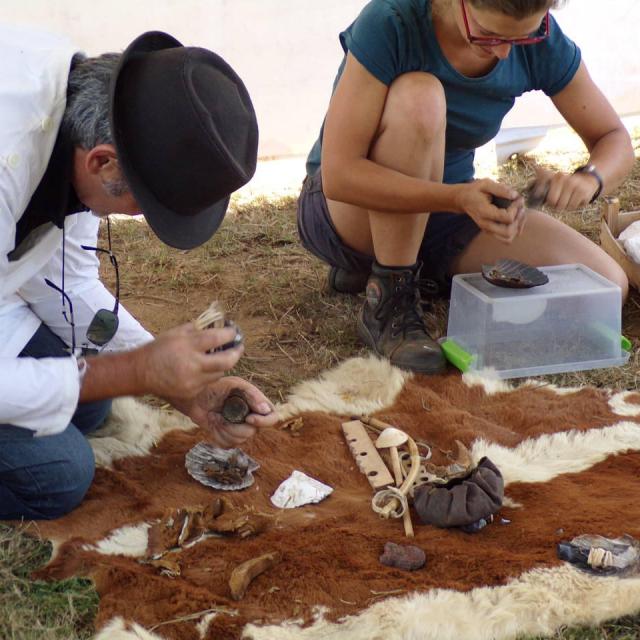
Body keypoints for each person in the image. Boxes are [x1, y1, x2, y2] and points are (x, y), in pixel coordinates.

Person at [0, 25, 277, 520]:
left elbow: (68, 283)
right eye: (143, 203)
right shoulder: (8, 160)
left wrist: (185, 387)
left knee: (89, 406)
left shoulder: (79, 109)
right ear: (103, 163)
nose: (139, 217)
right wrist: (138, 371)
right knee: (57, 472)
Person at [297, 0, 634, 375]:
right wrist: (456, 198)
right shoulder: (392, 22)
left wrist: (589, 177)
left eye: (523, 37)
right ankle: (390, 293)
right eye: (487, 35)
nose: (505, 51)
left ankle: (401, 270)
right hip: (345, 213)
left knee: (606, 286)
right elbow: (340, 176)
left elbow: (613, 137)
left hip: (446, 213)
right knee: (421, 96)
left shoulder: (538, 37)